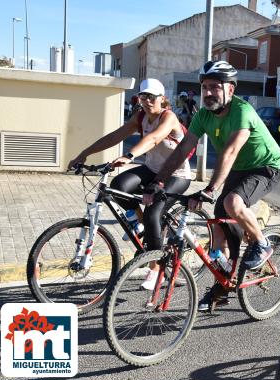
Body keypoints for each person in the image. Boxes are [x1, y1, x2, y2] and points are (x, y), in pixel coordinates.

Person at [147, 61, 280, 312]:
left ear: (230, 90)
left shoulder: (242, 111)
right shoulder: (203, 116)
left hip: (265, 166)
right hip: (239, 170)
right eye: (205, 87)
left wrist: (209, 190)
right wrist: (158, 181)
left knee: (232, 202)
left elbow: (230, 152)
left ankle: (262, 243)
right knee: (219, 229)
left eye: (215, 87)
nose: (208, 93)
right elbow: (182, 149)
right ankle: (222, 287)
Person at [68, 78, 193, 290]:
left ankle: (156, 268)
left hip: (176, 174)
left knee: (154, 211)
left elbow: (154, 138)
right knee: (118, 185)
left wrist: (129, 155)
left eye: (152, 97)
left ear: (163, 99)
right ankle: (142, 226)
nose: (147, 101)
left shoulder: (168, 117)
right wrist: (84, 154)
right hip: (152, 170)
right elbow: (115, 136)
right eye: (143, 96)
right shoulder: (141, 117)